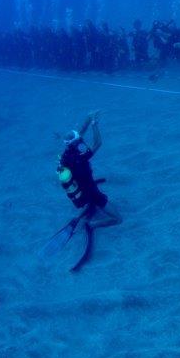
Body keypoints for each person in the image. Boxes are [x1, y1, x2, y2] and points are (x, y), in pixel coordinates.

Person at [55, 111, 122, 270]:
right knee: (118, 218)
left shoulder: (65, 156)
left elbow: (78, 134)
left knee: (90, 199)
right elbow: (98, 142)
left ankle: (88, 209)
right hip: (93, 193)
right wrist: (94, 124)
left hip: (80, 193)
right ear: (75, 143)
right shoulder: (80, 157)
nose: (80, 140)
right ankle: (92, 225)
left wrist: (88, 118)